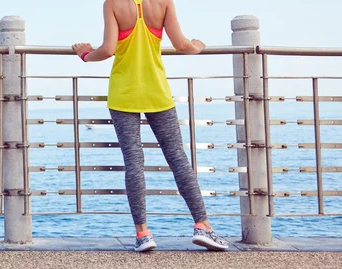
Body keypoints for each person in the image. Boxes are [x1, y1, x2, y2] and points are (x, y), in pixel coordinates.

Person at [72, 0, 229, 252]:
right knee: (178, 158)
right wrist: (197, 47)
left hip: (124, 95)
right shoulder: (163, 2)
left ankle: (143, 234)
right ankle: (203, 226)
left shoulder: (113, 3)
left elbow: (109, 49)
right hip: (157, 92)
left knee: (134, 162)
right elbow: (182, 45)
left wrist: (84, 54)